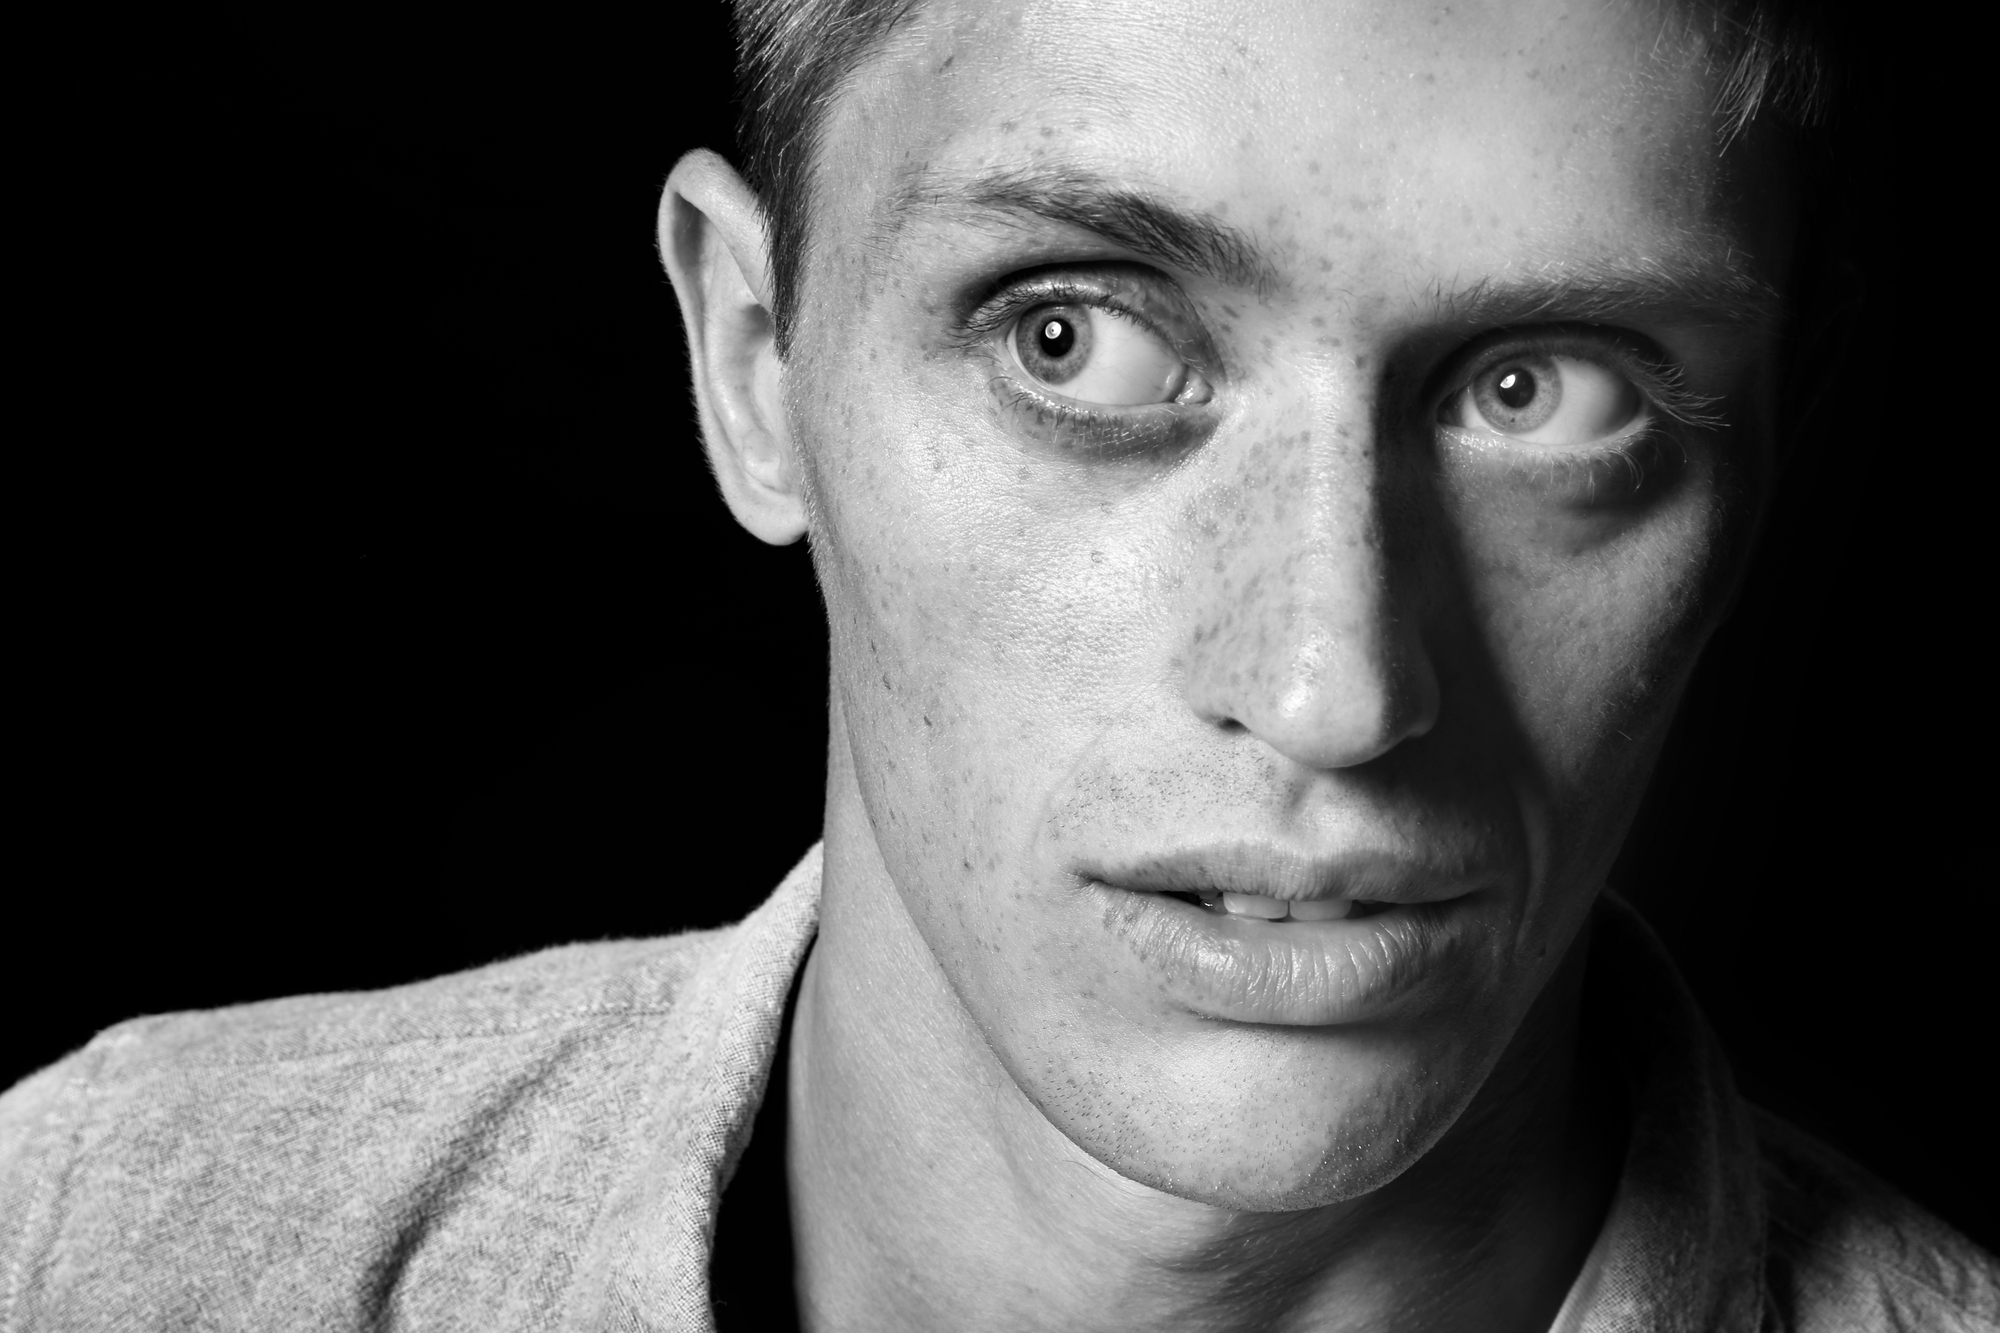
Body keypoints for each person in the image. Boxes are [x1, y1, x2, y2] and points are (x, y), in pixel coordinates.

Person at [3, 0, 1994, 1328]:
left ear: (1769, 461)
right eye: (1076, 336)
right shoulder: (95, 1237)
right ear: (752, 361)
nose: (1333, 688)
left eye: (1544, 391)